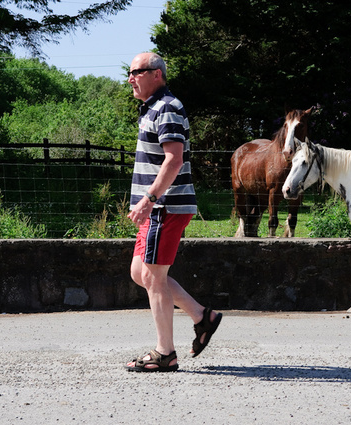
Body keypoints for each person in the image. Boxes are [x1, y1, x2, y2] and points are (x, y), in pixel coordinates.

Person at [125, 52, 222, 372]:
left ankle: (165, 353)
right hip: (157, 208)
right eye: (130, 73)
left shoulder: (167, 107)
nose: (130, 79)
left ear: (157, 74)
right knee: (141, 273)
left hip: (165, 207)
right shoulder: (152, 108)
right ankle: (201, 316)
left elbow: (174, 160)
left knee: (153, 276)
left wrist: (149, 199)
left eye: (136, 72)